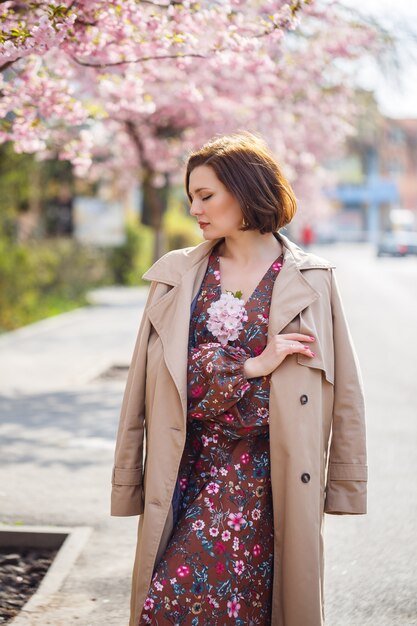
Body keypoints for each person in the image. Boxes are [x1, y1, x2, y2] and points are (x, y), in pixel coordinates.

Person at [111, 132, 367, 626]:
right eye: (191, 198)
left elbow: (345, 390)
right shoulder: (176, 275)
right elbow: (146, 385)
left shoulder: (312, 278)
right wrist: (254, 364)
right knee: (168, 603)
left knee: (248, 609)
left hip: (268, 477)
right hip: (186, 466)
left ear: (246, 190)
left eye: (206, 195)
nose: (195, 209)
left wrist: (345, 482)